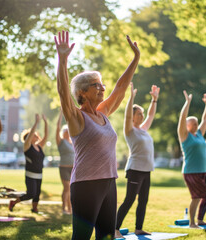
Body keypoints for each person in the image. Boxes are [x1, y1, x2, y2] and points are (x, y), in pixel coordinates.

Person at [54, 30, 140, 240]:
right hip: (86, 185)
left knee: (107, 236)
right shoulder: (76, 117)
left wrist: (136, 58)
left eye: (102, 85)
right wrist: (62, 60)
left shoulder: (103, 113)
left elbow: (120, 88)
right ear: (82, 92)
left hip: (109, 182)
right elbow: (64, 93)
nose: (102, 88)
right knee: (81, 237)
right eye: (97, 85)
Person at [115, 83, 160, 238]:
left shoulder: (143, 130)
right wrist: (131, 98)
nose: (142, 116)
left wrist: (154, 100)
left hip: (147, 170)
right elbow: (127, 116)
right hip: (135, 169)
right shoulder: (130, 131)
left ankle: (138, 228)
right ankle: (114, 228)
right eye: (139, 113)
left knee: (143, 201)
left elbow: (151, 116)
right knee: (129, 200)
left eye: (142, 113)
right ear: (133, 117)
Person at [177, 90, 206, 228]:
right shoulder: (184, 135)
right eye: (193, 123)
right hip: (191, 171)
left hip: (203, 170)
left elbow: (205, 119)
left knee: (199, 197)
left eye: (196, 123)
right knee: (203, 195)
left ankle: (199, 220)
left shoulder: (199, 135)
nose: (196, 125)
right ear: (187, 126)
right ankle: (193, 222)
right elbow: (182, 117)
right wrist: (187, 103)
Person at [9, 114, 48, 213]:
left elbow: (46, 136)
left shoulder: (39, 147)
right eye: (33, 135)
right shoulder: (27, 146)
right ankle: (14, 202)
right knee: (31, 194)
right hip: (30, 174)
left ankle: (34, 209)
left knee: (37, 193)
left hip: (39, 174)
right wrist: (36, 123)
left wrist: (46, 122)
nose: (36, 136)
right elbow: (30, 135)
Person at [56, 111, 74, 215]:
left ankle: (70, 209)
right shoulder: (61, 141)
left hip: (72, 168)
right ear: (63, 132)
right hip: (64, 167)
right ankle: (64, 208)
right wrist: (60, 115)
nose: (68, 131)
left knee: (71, 190)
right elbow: (57, 128)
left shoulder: (72, 142)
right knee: (66, 188)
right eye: (66, 130)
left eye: (68, 130)